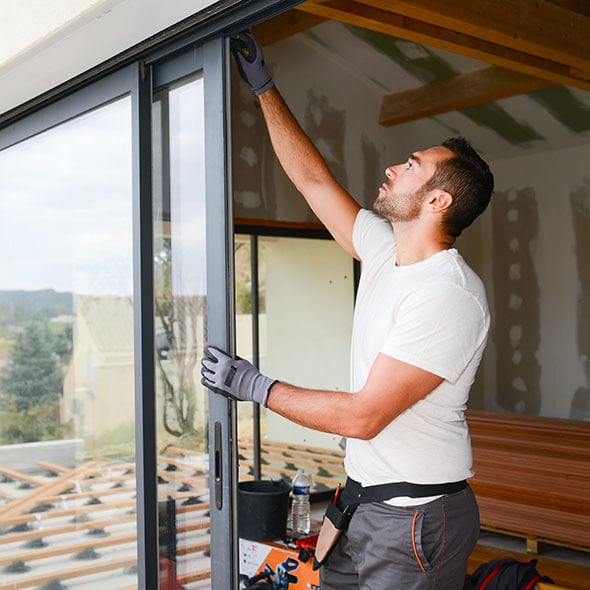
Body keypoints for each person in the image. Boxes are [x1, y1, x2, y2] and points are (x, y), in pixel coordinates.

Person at [201, 30, 495, 590]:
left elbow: (364, 416)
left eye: (410, 166)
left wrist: (254, 386)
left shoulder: (447, 295)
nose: (392, 168)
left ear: (438, 201)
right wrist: (264, 88)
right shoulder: (385, 247)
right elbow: (312, 181)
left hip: (414, 522)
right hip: (360, 503)